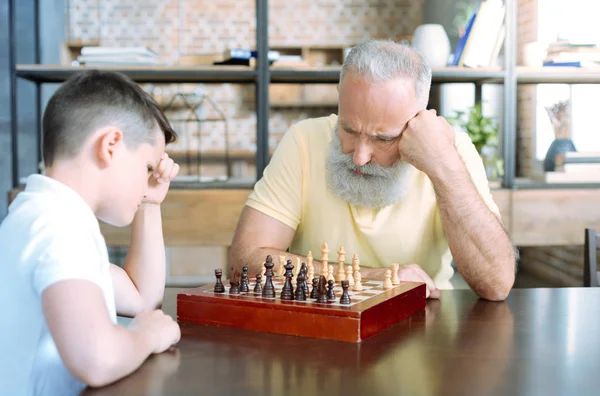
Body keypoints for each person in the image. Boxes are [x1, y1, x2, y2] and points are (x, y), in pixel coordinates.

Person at [230, 39, 517, 301]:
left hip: (426, 325)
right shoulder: (304, 140)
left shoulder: (452, 150)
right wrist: (377, 278)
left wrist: (443, 164)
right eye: (348, 129)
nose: (359, 156)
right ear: (339, 95)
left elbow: (497, 285)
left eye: (384, 139)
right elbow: (246, 261)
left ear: (418, 120)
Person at [0, 70, 181, 395]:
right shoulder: (59, 227)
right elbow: (96, 359)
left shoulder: (36, 214)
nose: (148, 182)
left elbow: (141, 298)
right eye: (147, 168)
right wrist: (146, 336)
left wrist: (150, 204)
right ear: (110, 145)